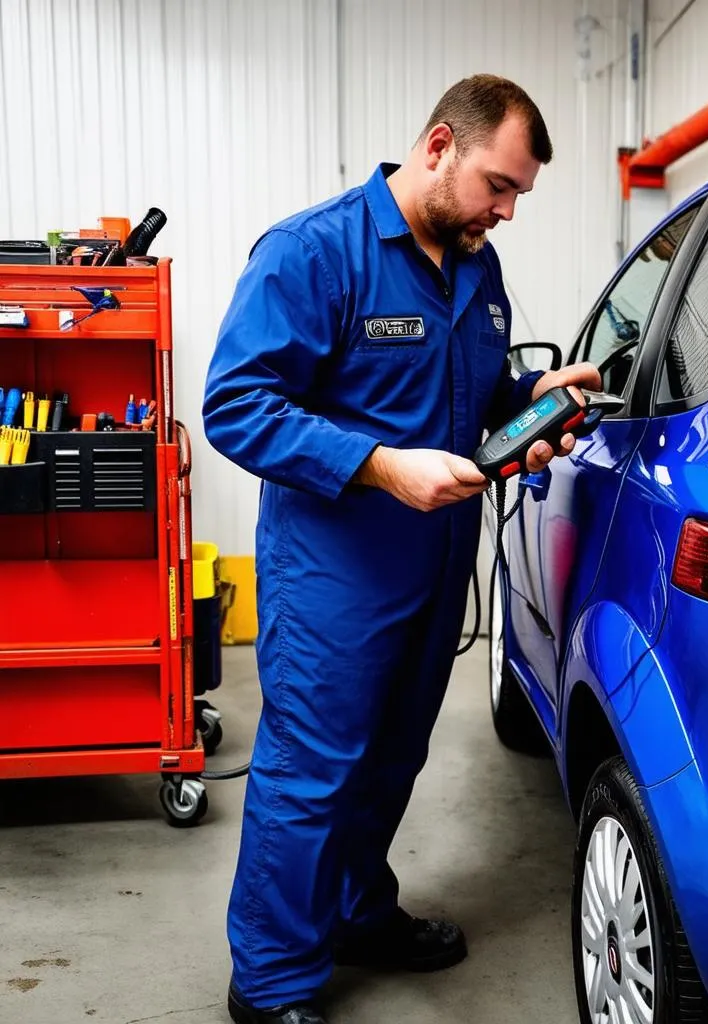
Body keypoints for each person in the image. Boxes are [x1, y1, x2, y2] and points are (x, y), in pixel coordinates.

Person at [203, 74, 601, 1024]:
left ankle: (355, 912)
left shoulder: (475, 265)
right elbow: (235, 405)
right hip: (335, 575)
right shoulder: (314, 253)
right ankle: (269, 982)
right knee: (313, 770)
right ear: (437, 148)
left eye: (516, 198)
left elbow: (479, 397)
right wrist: (380, 466)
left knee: (390, 760)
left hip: (434, 568)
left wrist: (533, 409)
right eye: (497, 186)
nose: (504, 213)